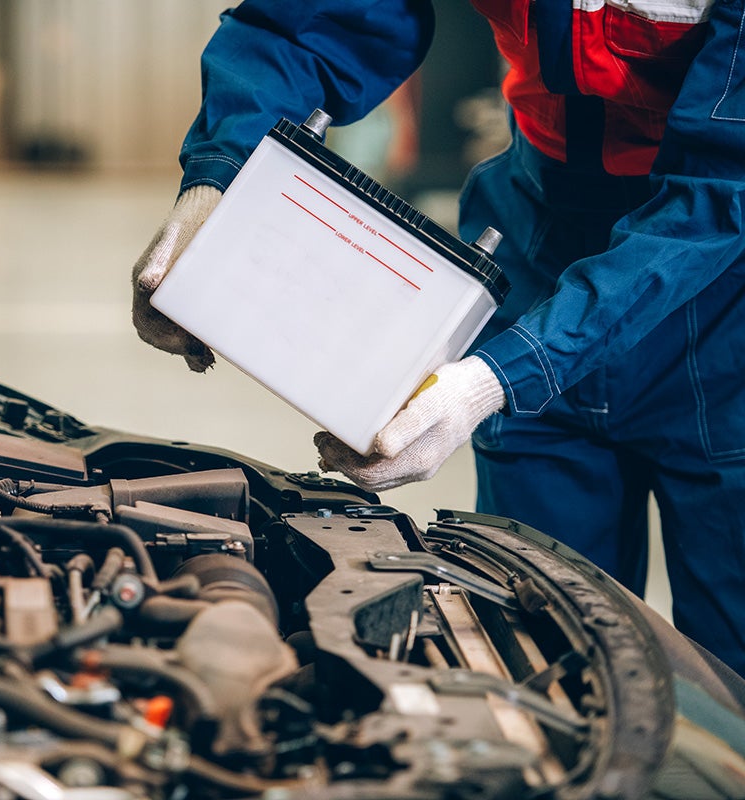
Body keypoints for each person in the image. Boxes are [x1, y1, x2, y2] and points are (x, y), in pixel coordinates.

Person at [132, 1, 745, 676]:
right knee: (546, 658)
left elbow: (721, 187)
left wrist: (493, 377)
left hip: (720, 299)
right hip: (537, 241)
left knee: (732, 672)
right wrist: (220, 178)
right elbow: (312, 21)